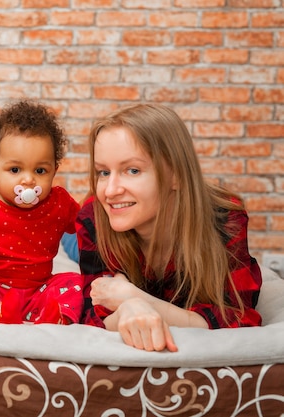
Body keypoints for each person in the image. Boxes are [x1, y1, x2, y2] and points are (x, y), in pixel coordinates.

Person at [76, 103, 262, 352]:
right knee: (67, 243)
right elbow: (89, 317)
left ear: (176, 175)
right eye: (103, 172)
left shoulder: (224, 219)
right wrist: (127, 311)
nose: (110, 190)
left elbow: (239, 318)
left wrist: (135, 298)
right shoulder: (93, 216)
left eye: (132, 170)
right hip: (108, 222)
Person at [0, 100, 83, 324]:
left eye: (40, 170)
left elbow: (87, 228)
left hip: (38, 290)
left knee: (73, 281)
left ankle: (55, 317)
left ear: (54, 171)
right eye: (15, 169)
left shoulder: (60, 203)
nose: (28, 179)